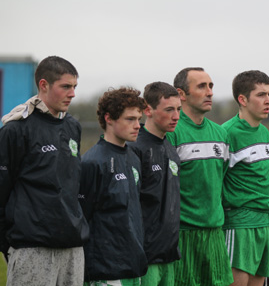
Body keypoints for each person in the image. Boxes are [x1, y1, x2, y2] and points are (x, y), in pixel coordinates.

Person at [0, 56, 89, 286]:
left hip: (72, 247)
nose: (72, 94)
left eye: (75, 87)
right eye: (66, 87)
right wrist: (9, 243)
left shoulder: (73, 126)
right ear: (43, 85)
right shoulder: (16, 129)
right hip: (32, 248)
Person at [166, 67, 233, 286]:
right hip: (183, 234)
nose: (210, 92)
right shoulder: (171, 132)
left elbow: (219, 179)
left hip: (214, 233)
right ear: (181, 94)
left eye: (211, 86)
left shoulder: (221, 133)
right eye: (202, 86)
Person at [78, 87, 148, 285]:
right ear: (109, 118)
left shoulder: (134, 158)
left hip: (132, 265)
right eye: (130, 119)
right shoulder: (92, 163)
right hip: (105, 270)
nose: (137, 126)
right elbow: (83, 218)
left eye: (138, 119)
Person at [222, 70, 269, 286]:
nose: (268, 100)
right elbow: (217, 181)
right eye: (261, 95)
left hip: (265, 221)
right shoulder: (227, 133)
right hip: (239, 223)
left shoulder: (265, 132)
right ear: (242, 99)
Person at [128, 82, 182, 286]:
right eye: (169, 110)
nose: (176, 116)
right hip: (145, 257)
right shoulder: (135, 148)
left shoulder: (170, 146)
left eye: (178, 109)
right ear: (147, 110)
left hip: (169, 254)